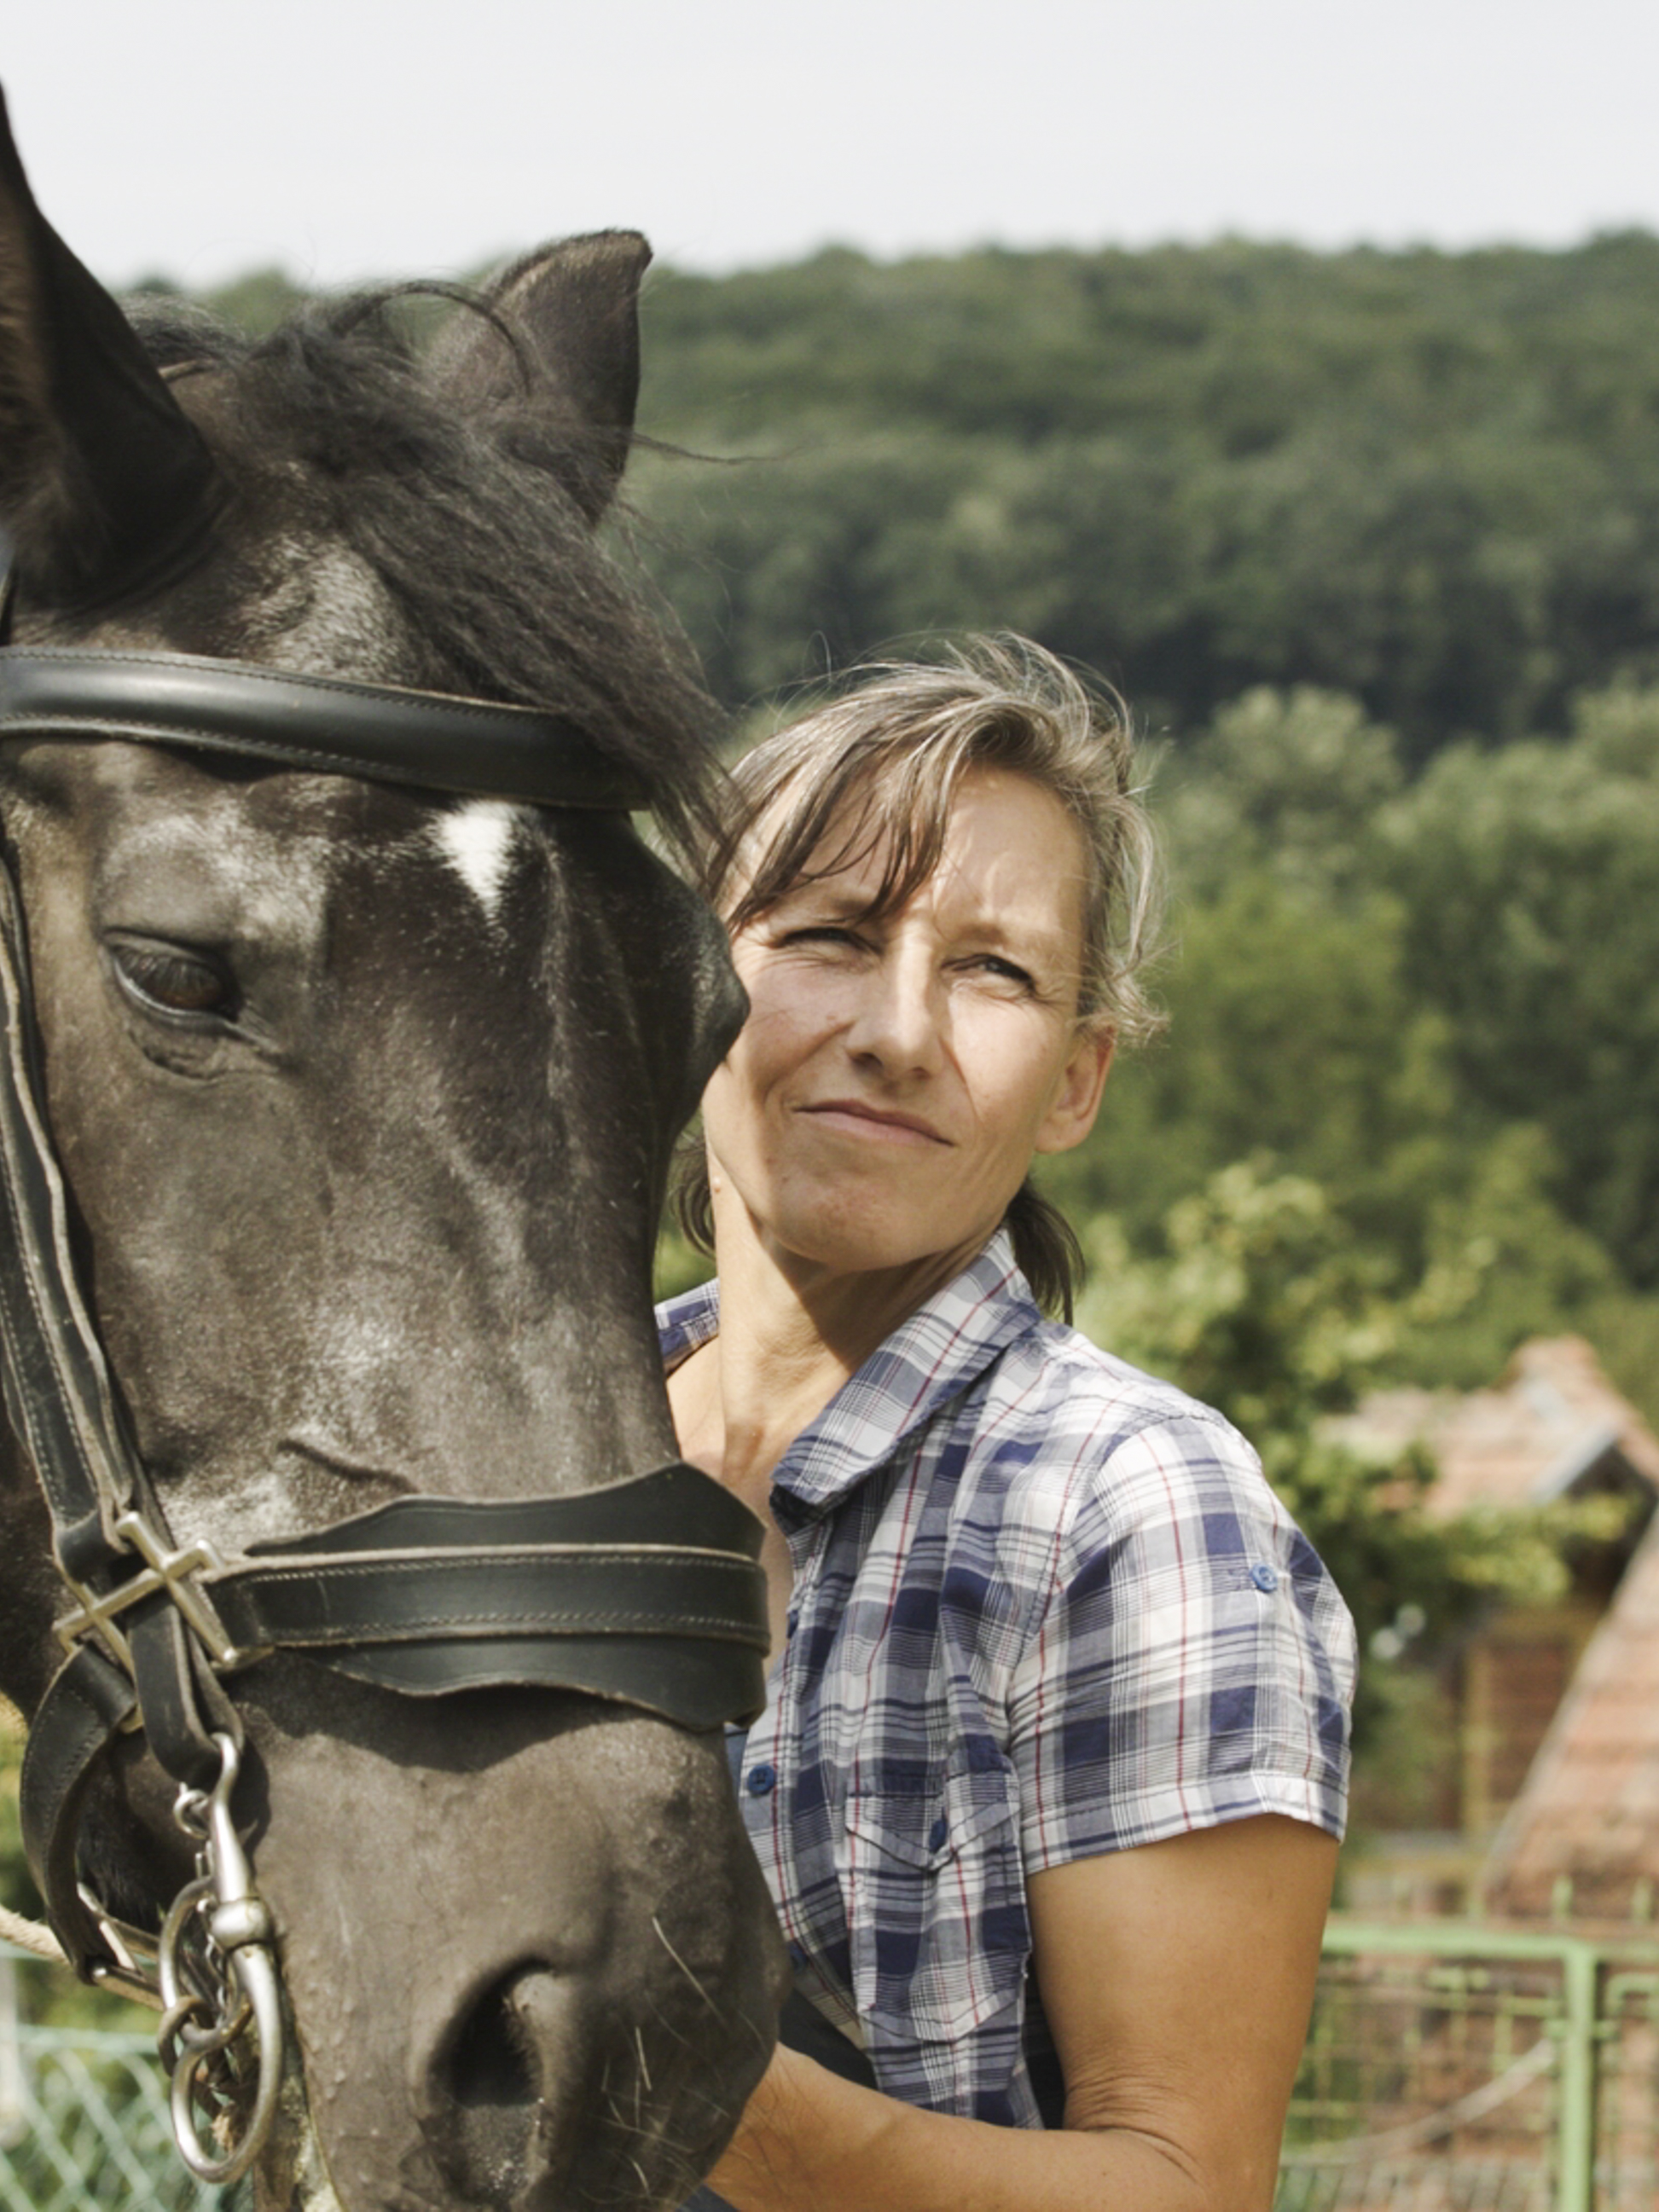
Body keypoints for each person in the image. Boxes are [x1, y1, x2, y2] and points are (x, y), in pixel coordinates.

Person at [666, 640, 1357, 2212]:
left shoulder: (1132, 1506)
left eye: (994, 971)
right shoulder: (541, 1442)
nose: (900, 1029)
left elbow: (1184, 2188)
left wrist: (696, 2092)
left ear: (1076, 1080)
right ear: (681, 982)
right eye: (833, 934)